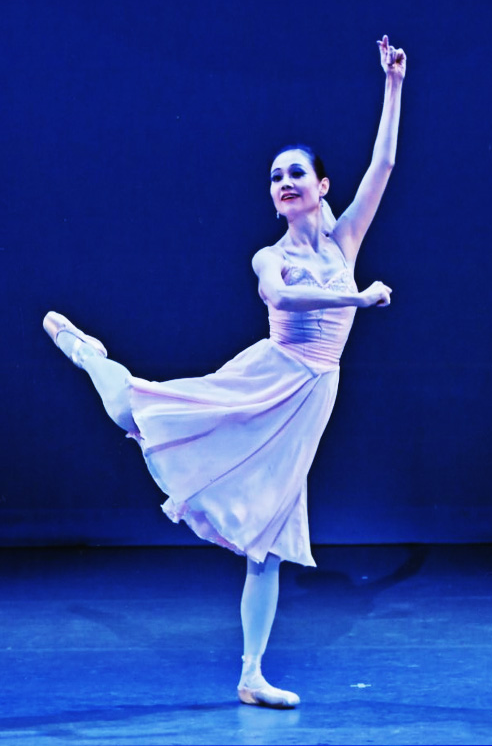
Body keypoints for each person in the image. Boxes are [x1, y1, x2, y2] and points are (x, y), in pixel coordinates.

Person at [42, 35, 406, 708]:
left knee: (267, 543)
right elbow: (280, 300)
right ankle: (90, 355)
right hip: (268, 379)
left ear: (322, 186)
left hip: (311, 399)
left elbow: (383, 161)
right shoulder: (271, 256)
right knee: (136, 413)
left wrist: (393, 82)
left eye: (295, 173)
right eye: (275, 178)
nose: (284, 182)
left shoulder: (345, 240)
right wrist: (354, 299)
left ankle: (251, 675)